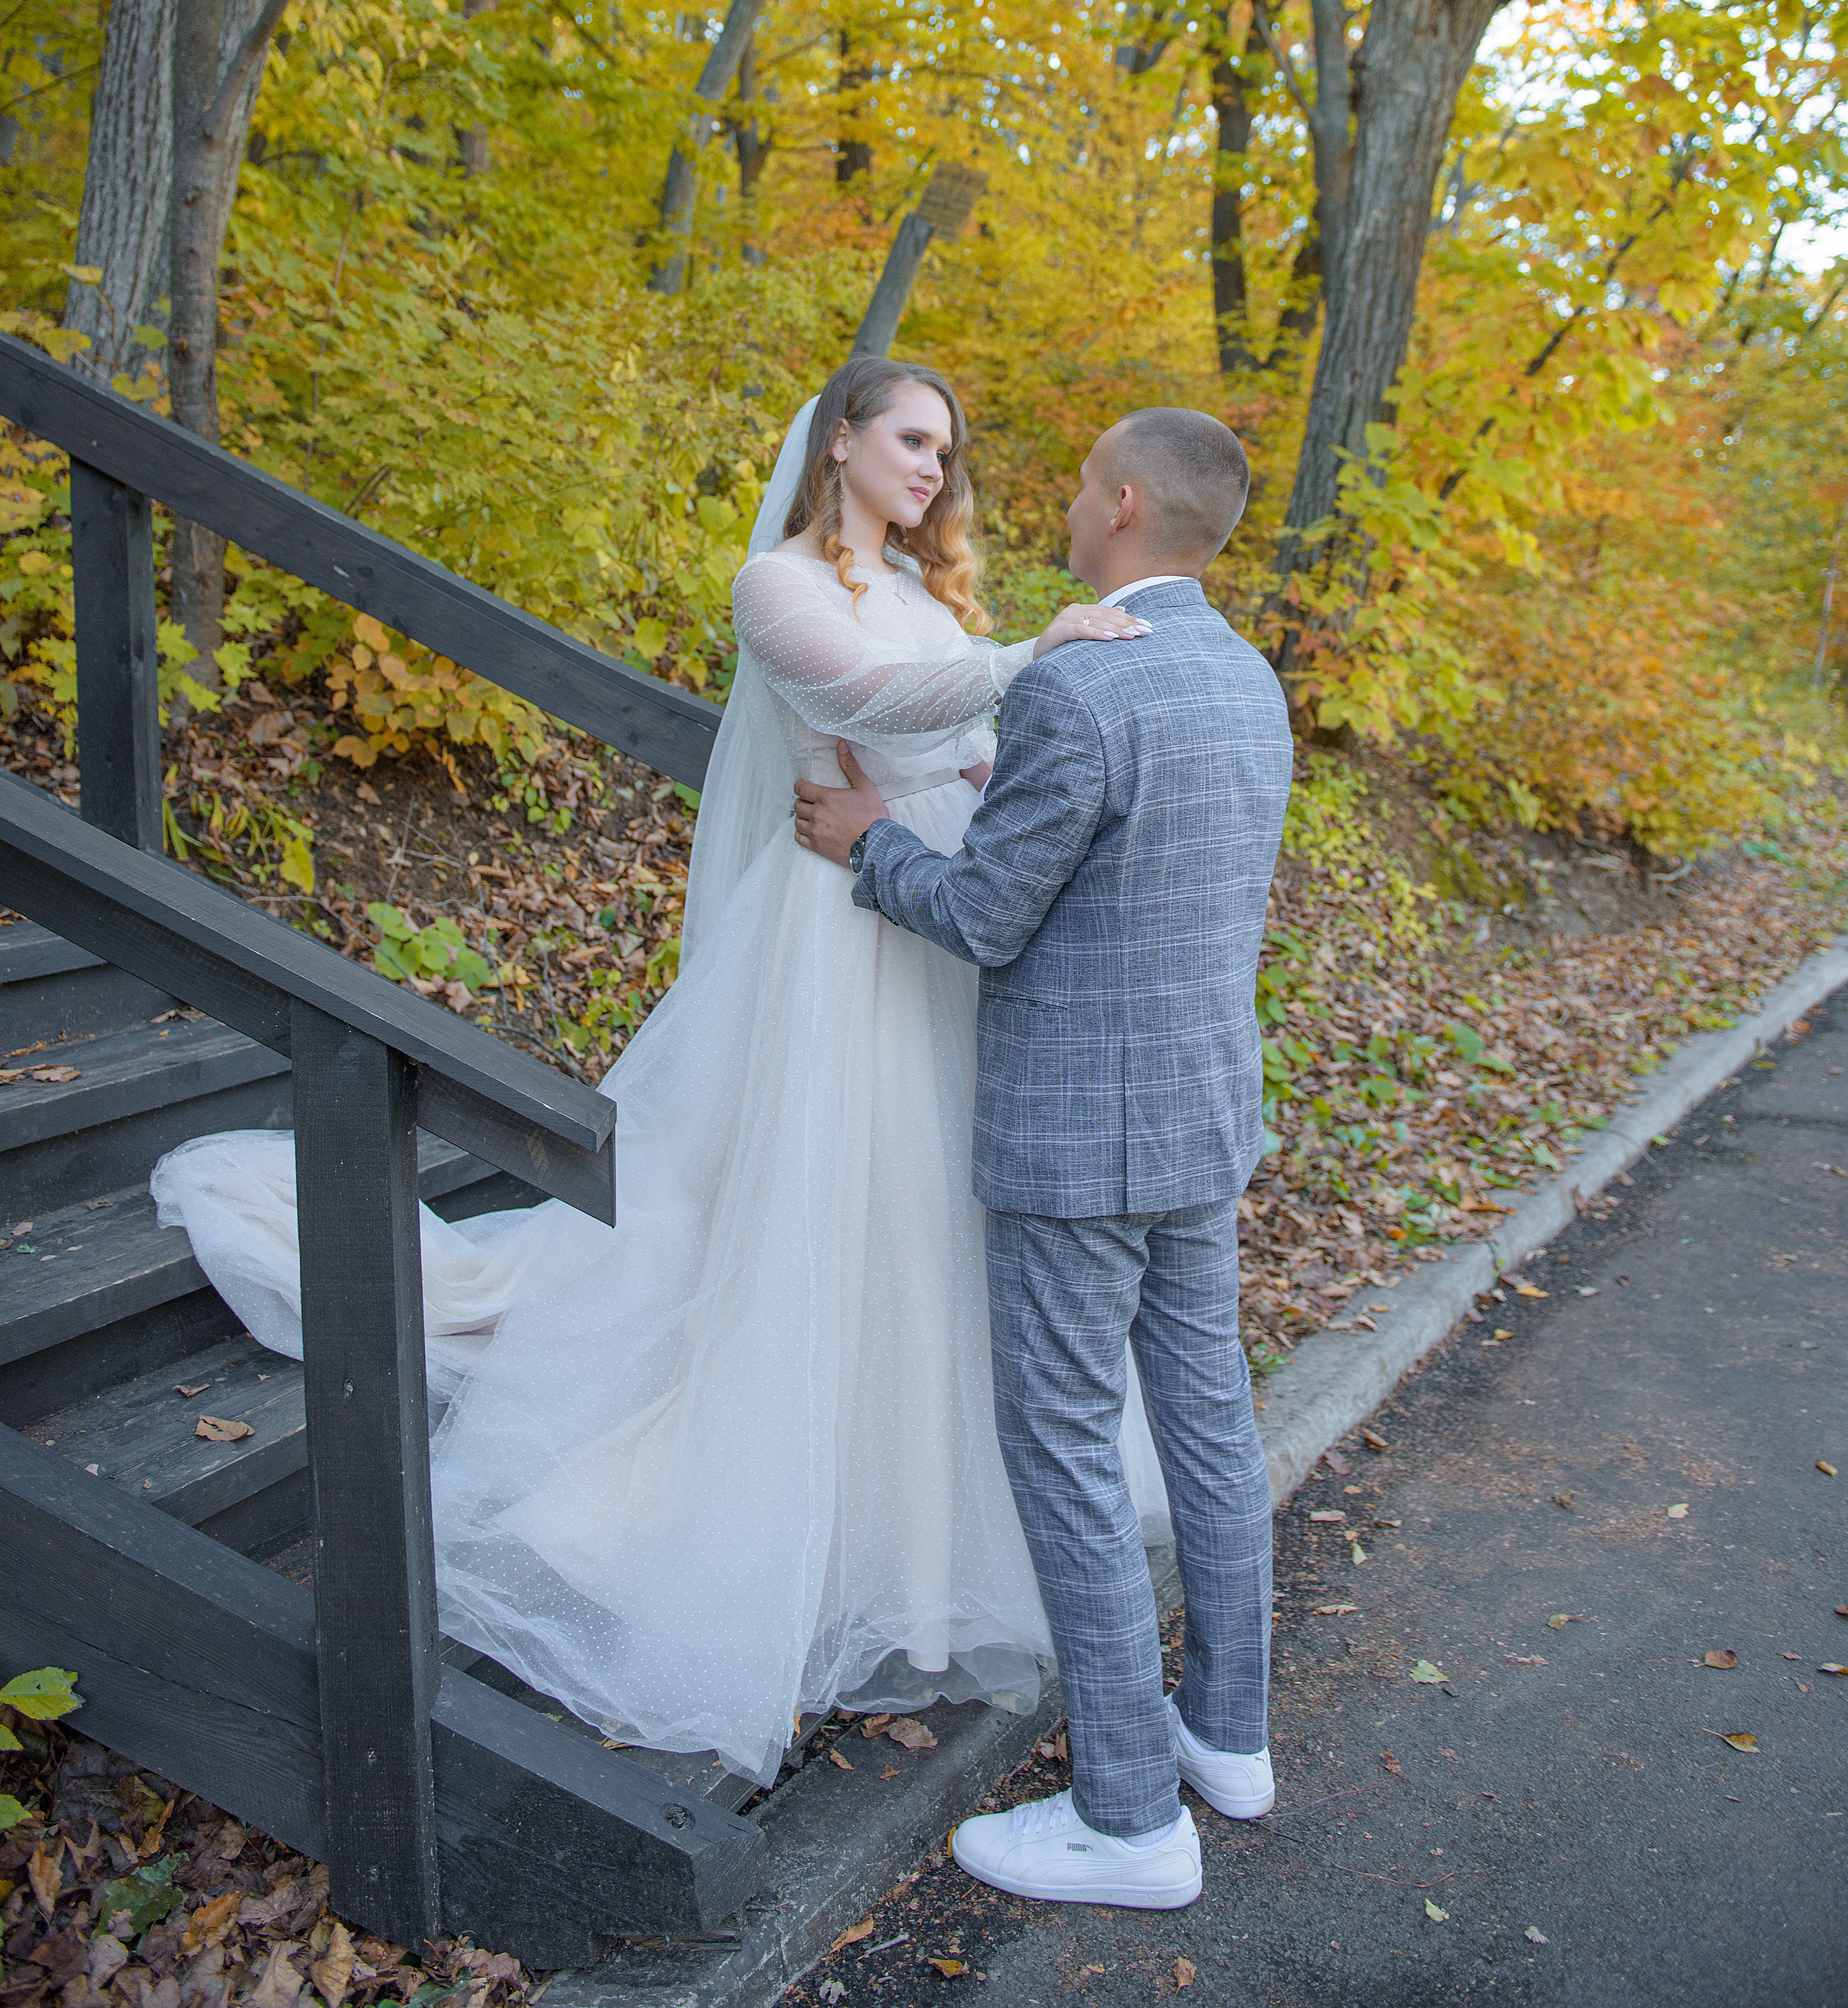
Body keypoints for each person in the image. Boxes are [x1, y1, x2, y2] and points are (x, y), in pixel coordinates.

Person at [152, 355, 1161, 1786]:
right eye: (911, 439)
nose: (934, 468)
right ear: (840, 443)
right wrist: (1029, 657)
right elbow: (866, 693)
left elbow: (960, 740)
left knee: (927, 1216)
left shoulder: (926, 592)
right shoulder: (778, 586)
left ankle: (919, 1539)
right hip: (836, 924)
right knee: (826, 1200)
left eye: (947, 449)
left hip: (927, 899)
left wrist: (1006, 768)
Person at [793, 407, 1292, 1910]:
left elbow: (983, 915)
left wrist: (870, 840)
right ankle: (1228, 1738)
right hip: (1200, 1116)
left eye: (1082, 485)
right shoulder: (1246, 674)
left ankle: (1129, 1819)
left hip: (1078, 1136)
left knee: (1065, 1445)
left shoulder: (1082, 682)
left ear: (1124, 503)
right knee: (1209, 1421)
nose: (1067, 506)